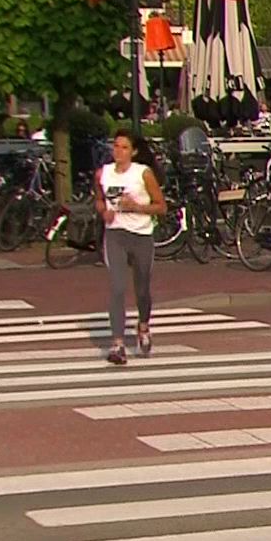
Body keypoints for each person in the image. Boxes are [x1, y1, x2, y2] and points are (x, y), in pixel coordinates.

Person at [96, 127, 167, 366]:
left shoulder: (143, 174)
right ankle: (117, 344)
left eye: (124, 147)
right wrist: (103, 212)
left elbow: (161, 206)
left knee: (142, 288)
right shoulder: (104, 173)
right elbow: (99, 199)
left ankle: (143, 326)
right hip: (115, 235)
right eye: (116, 146)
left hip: (141, 235)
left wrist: (137, 207)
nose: (118, 151)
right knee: (117, 288)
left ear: (133, 152)